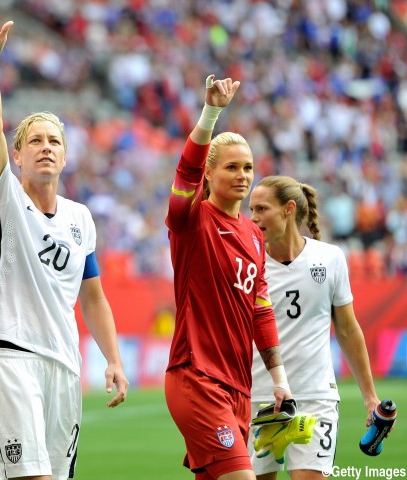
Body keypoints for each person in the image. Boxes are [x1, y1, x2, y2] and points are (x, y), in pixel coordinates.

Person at [0, 21, 129, 480]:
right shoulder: (3, 198)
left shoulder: (81, 218)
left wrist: (113, 359)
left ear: (65, 156)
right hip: (10, 356)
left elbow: (93, 296)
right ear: (16, 155)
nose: (45, 148)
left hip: (65, 367)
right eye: (34, 141)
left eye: (54, 141)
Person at [163, 75, 293, 480]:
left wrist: (279, 381)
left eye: (248, 167)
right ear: (209, 174)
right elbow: (186, 172)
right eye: (232, 167)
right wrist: (211, 113)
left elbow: (261, 310)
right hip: (196, 378)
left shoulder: (255, 236)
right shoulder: (191, 219)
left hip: (238, 389)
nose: (242, 175)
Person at [248, 176, 380, 480]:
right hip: (259, 397)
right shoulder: (248, 263)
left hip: (315, 396)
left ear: (288, 209)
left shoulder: (330, 258)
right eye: (251, 209)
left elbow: (347, 330)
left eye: (261, 209)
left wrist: (369, 396)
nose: (253, 218)